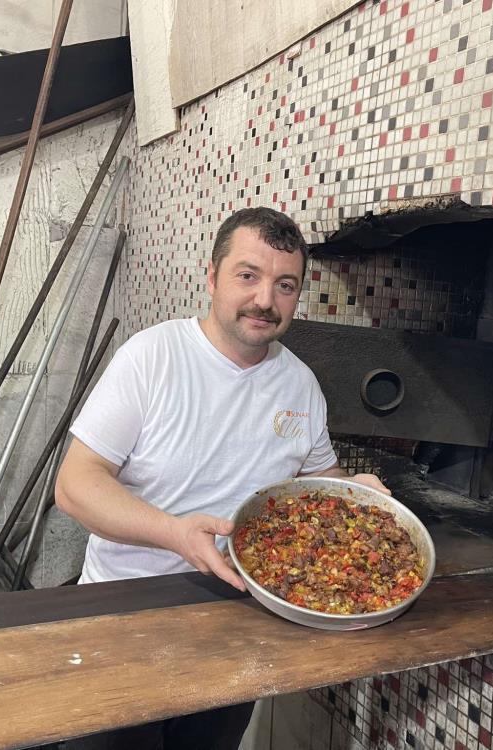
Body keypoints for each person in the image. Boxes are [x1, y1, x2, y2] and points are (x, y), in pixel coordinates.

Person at [55, 207, 388, 750]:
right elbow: (74, 484)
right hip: (124, 621)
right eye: (247, 275)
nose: (265, 300)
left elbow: (317, 481)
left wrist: (354, 494)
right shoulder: (152, 357)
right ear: (211, 277)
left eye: (285, 285)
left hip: (236, 623)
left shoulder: (300, 384)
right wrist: (176, 533)